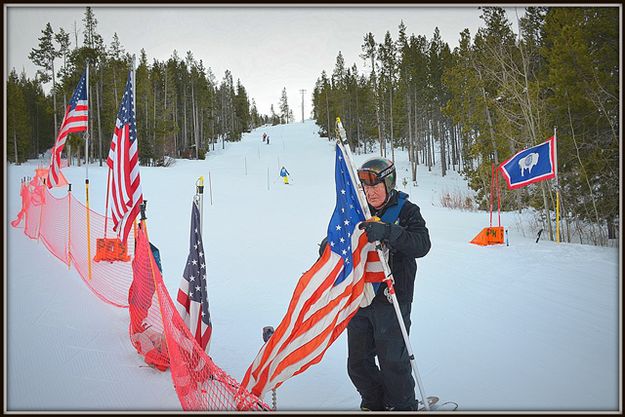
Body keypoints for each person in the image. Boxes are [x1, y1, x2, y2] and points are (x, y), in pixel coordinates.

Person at [319, 157, 431, 411]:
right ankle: (376, 403)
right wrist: (328, 248)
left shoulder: (406, 210)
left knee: (393, 362)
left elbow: (422, 245)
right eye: (366, 188)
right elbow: (338, 239)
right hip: (360, 296)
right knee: (358, 363)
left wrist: (389, 232)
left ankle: (403, 406)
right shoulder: (356, 211)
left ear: (388, 183)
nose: (370, 193)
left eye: (376, 186)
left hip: (392, 297)